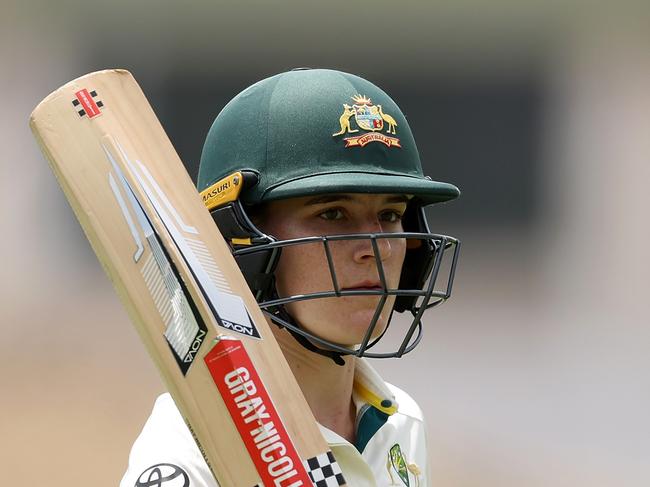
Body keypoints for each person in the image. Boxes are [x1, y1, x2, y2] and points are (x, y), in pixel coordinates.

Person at [120, 68, 460, 487]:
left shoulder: (398, 422)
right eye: (332, 214)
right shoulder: (188, 459)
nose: (377, 247)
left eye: (390, 215)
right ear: (237, 242)